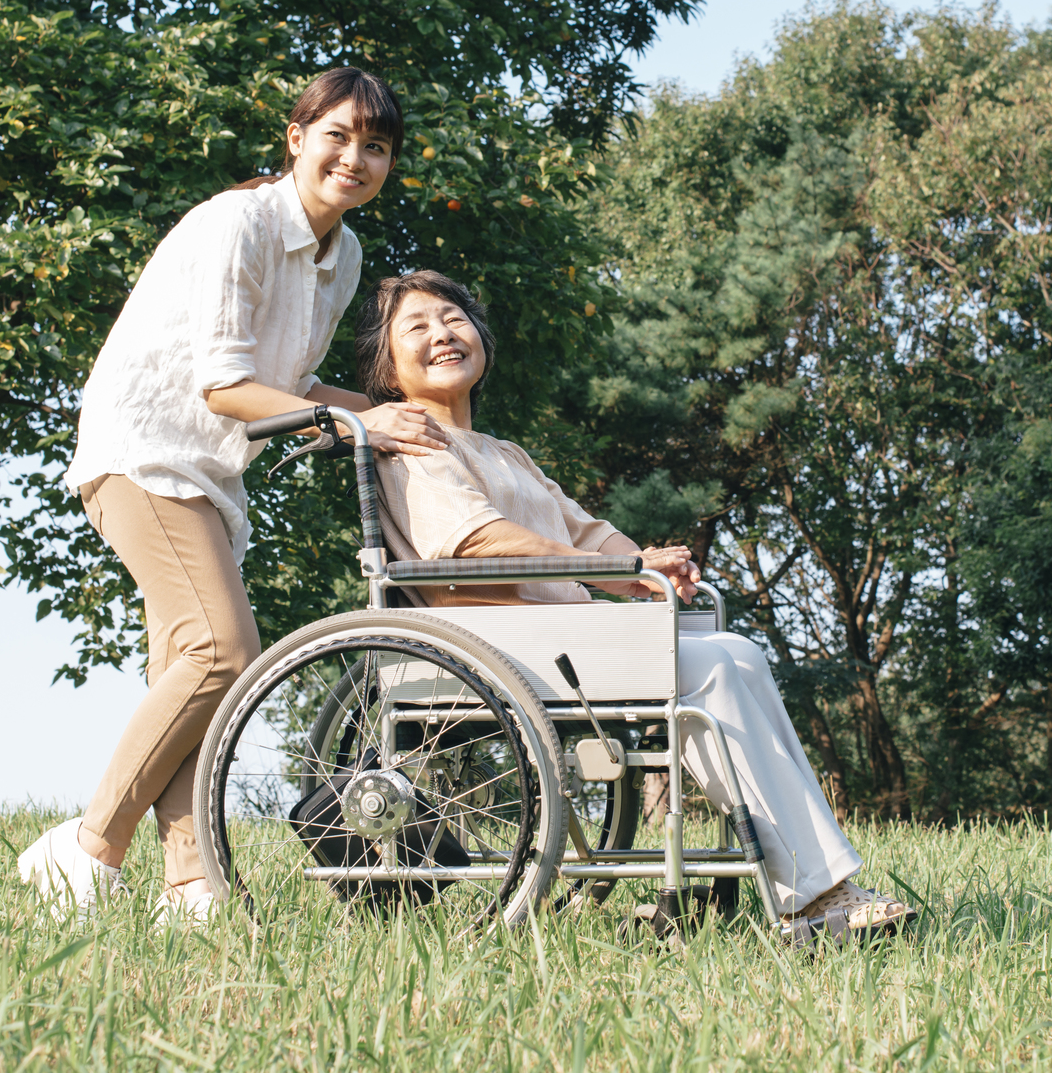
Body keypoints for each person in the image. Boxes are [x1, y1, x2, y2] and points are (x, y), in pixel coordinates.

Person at [354, 269, 916, 937]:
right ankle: (813, 896)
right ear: (388, 369)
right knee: (706, 666)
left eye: (453, 319)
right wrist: (614, 569)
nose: (443, 334)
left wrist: (644, 565)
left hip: (560, 637)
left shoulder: (507, 454)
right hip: (494, 639)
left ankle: (810, 883)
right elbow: (475, 540)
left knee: (730, 651)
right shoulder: (409, 445)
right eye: (416, 327)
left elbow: (586, 532)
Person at [17, 69, 448, 926]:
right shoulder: (237, 223)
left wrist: (389, 413)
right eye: (338, 136)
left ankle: (192, 885)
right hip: (145, 452)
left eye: (377, 147)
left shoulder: (344, 256)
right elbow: (226, 387)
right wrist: (363, 426)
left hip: (210, 472)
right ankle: (87, 845)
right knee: (224, 651)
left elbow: (291, 384)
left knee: (190, 672)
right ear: (297, 137)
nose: (354, 159)